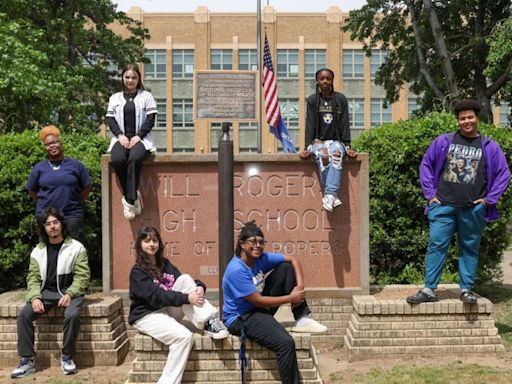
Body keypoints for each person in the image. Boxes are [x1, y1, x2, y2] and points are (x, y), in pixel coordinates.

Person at [407, 99, 510, 305]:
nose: (467, 121)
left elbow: (504, 174)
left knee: (469, 248)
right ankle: (429, 289)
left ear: (477, 118)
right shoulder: (444, 141)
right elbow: (426, 165)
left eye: (470, 117)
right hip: (443, 204)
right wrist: (430, 195)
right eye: (463, 118)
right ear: (457, 121)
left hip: (473, 208)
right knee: (437, 245)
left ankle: (466, 289)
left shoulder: (489, 146)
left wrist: (489, 200)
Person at [222, 221, 327, 384]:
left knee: (285, 268)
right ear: (242, 244)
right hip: (241, 317)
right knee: (285, 343)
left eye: (261, 242)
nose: (257, 246)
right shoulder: (236, 269)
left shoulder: (260, 259)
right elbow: (257, 301)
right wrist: (291, 298)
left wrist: (299, 287)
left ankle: (302, 318)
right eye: (252, 242)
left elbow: (293, 259)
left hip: (258, 309)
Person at [128, 226, 228, 384]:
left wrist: (200, 286)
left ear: (159, 243)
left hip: (167, 311)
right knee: (183, 337)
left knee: (186, 279)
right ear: (140, 244)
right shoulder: (137, 272)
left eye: (154, 240)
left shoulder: (165, 264)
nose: (151, 244)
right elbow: (156, 296)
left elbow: (183, 282)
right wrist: (187, 298)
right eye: (147, 241)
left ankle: (209, 321)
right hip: (147, 315)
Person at [11, 206, 90, 378]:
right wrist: (35, 297)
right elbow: (32, 278)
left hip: (70, 292)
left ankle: (67, 357)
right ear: (44, 228)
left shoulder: (77, 248)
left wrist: (70, 293)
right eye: (48, 224)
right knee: (24, 314)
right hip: (45, 293)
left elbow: (82, 277)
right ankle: (27, 360)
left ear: (62, 224)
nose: (52, 226)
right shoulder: (37, 251)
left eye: (55, 222)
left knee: (72, 315)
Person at [299, 68, 357, 212]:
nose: (325, 81)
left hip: (336, 141)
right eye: (322, 79)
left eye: (328, 78)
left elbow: (344, 123)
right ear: (317, 81)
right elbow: (310, 124)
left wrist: (347, 146)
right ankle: (332, 195)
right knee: (324, 155)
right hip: (317, 142)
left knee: (336, 154)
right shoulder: (313, 100)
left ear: (332, 80)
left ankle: (329, 195)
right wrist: (308, 146)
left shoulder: (340, 99)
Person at [106, 64, 157, 220]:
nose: (130, 80)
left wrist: (138, 136)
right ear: (122, 78)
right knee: (118, 159)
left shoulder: (146, 96)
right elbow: (110, 119)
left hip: (141, 139)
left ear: (138, 79)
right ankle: (133, 194)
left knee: (134, 158)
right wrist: (120, 135)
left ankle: (128, 201)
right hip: (120, 138)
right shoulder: (115, 98)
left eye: (134, 77)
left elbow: (150, 119)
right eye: (127, 77)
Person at [26, 125, 92, 241]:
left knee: (72, 253)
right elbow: (32, 191)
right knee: (48, 254)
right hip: (46, 218)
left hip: (72, 216)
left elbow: (87, 187)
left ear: (61, 144)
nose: (52, 146)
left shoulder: (76, 165)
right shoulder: (39, 168)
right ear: (45, 148)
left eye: (55, 142)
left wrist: (75, 200)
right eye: (48, 144)